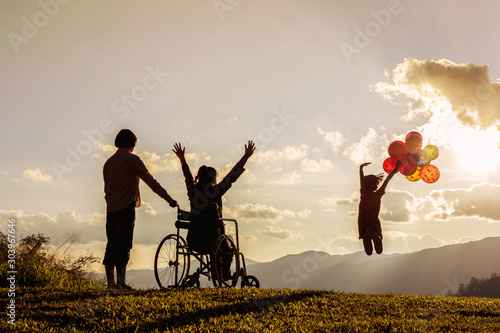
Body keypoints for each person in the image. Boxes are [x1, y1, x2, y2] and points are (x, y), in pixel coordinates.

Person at [103, 129, 177, 290]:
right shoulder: (133, 160)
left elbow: (106, 188)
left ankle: (111, 282)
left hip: (111, 208)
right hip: (126, 206)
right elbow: (151, 181)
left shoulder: (108, 162)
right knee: (124, 245)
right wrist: (168, 199)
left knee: (111, 244)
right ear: (132, 144)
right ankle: (121, 282)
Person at [172, 141, 255, 277]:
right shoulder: (215, 191)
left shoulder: (193, 190)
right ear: (213, 178)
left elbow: (187, 176)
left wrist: (181, 158)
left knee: (216, 237)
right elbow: (232, 176)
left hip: (194, 241)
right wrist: (246, 156)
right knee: (228, 242)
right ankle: (224, 272)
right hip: (213, 241)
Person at [358, 160, 400, 256]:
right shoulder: (378, 194)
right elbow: (387, 180)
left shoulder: (364, 194)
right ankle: (375, 234)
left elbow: (361, 180)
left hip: (363, 220)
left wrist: (361, 168)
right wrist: (396, 167)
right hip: (374, 221)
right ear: (375, 185)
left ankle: (367, 234)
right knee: (379, 250)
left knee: (368, 251)